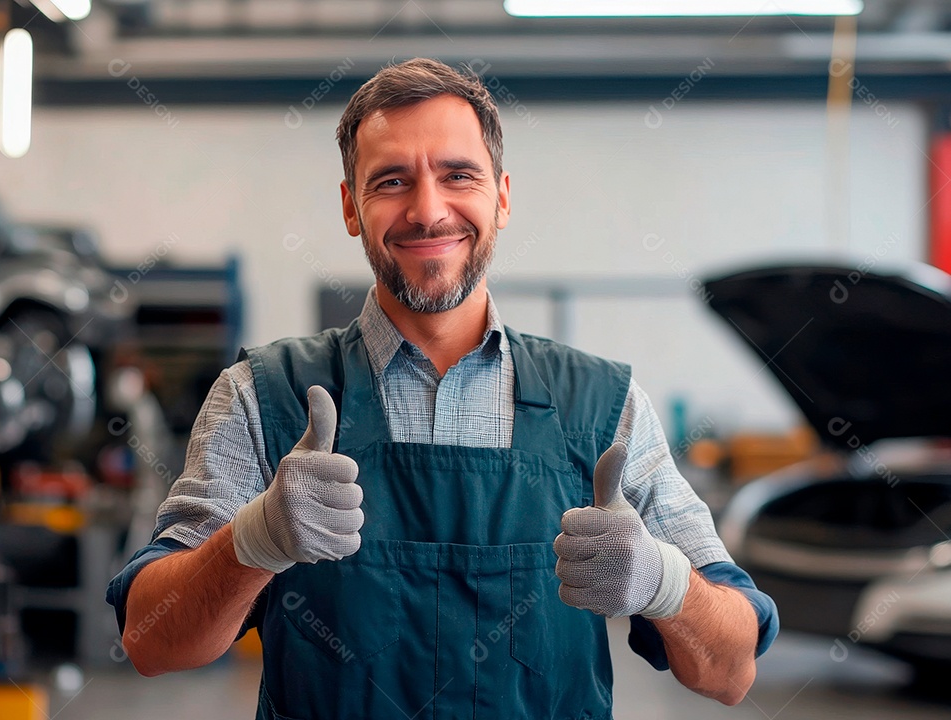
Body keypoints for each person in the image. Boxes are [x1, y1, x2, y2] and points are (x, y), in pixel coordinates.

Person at [107, 58, 778, 719]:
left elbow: (729, 671)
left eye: (458, 175)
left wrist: (663, 582)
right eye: (392, 181)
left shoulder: (605, 411)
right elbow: (151, 641)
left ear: (503, 196)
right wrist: (251, 541)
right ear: (351, 207)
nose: (428, 212)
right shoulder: (262, 396)